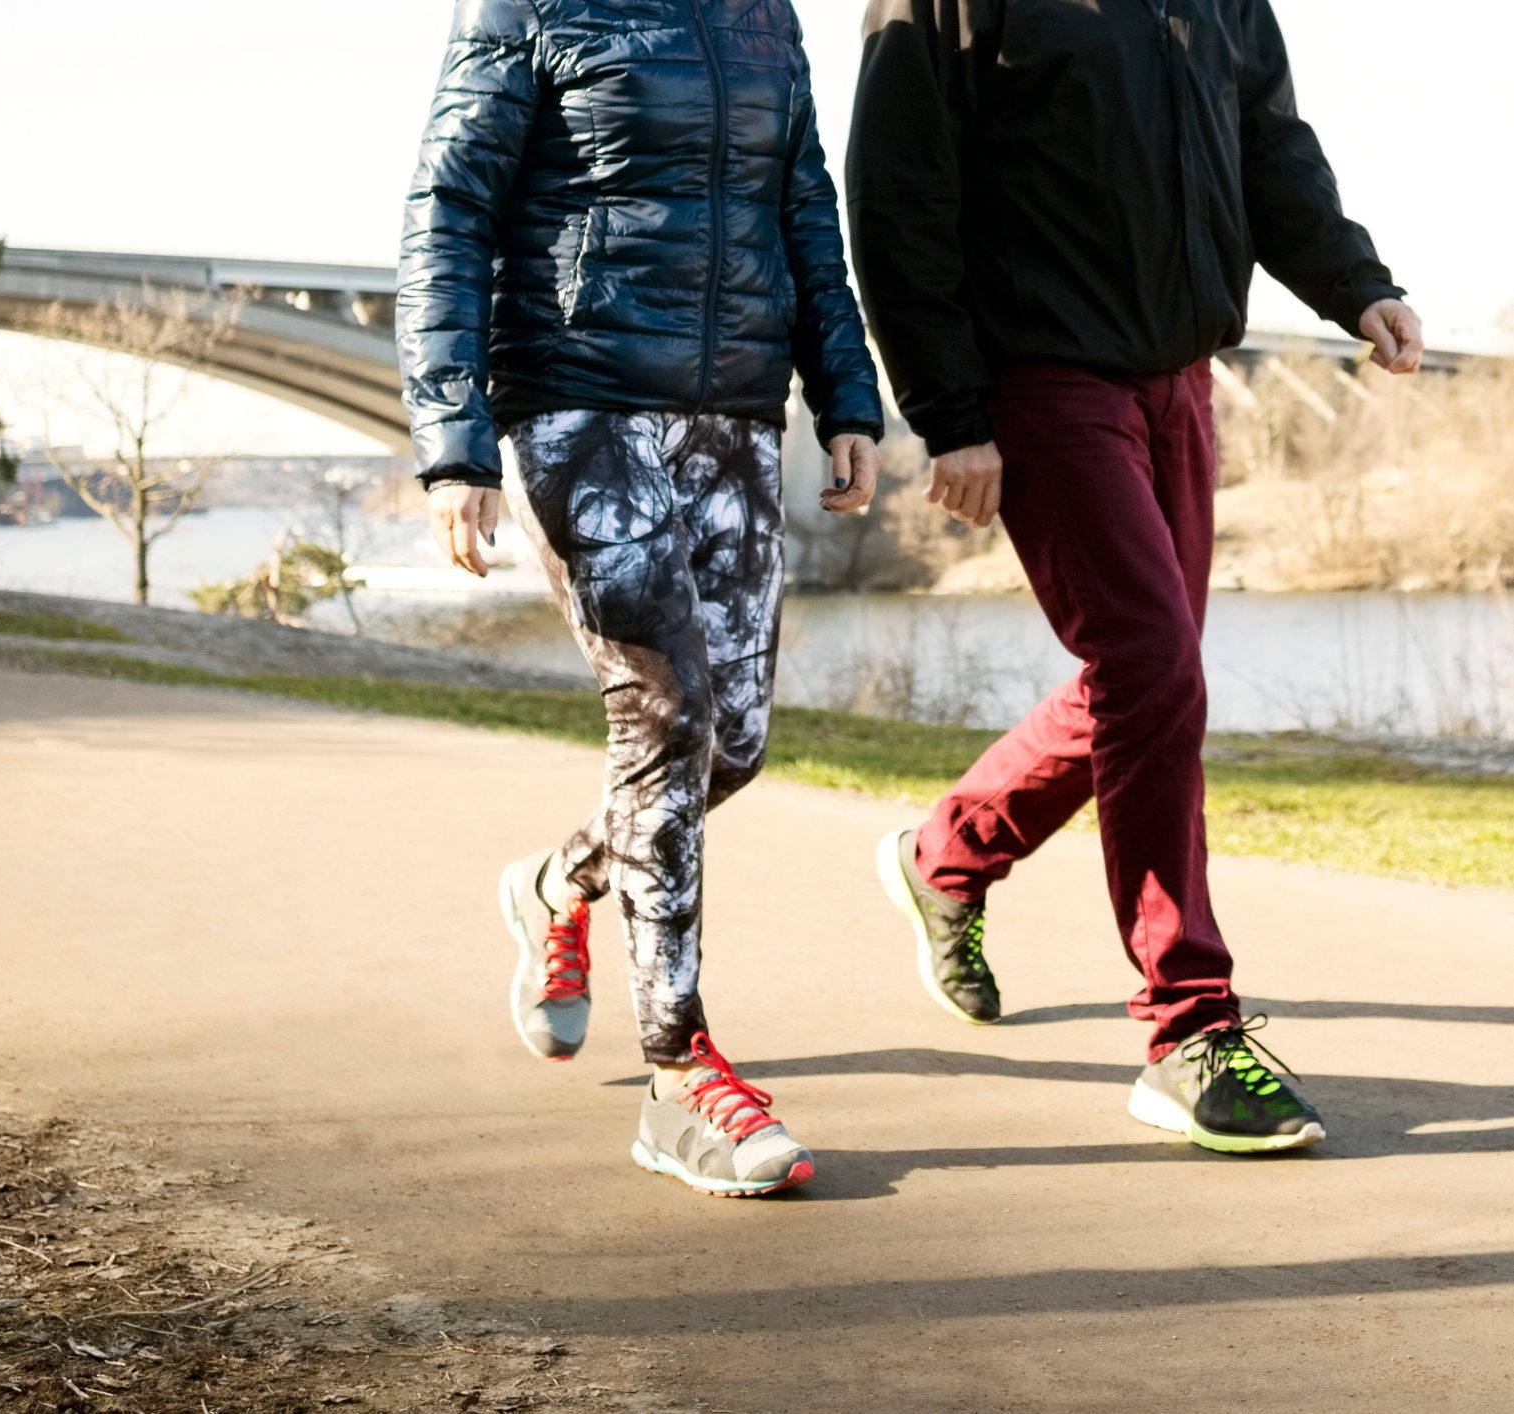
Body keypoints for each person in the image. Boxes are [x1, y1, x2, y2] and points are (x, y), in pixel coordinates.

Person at [847, 0, 1425, 1153]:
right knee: (1152, 667)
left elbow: (1271, 148)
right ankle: (1188, 1030)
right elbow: (899, 192)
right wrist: (951, 412)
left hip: (1181, 378)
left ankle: (946, 855)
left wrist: (1354, 280)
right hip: (1046, 375)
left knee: (1147, 679)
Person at [397, 0, 886, 1196]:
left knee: (735, 743)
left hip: (733, 411)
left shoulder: (765, 16)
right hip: (579, 398)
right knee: (663, 718)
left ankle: (558, 881)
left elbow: (804, 207)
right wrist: (454, 442)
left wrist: (847, 395)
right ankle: (680, 1075)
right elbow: (448, 209)